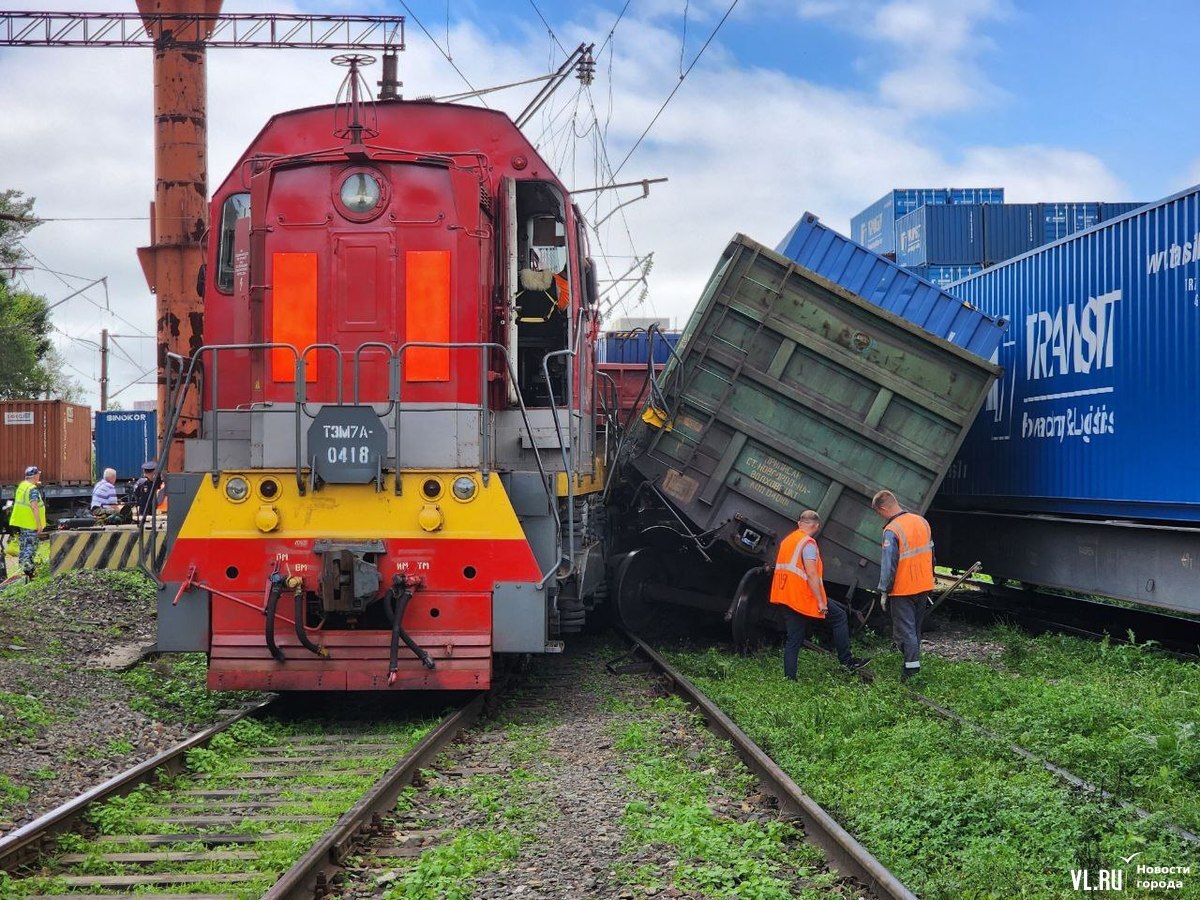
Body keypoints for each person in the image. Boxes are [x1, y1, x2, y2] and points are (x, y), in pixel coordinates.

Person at [768, 509, 869, 679]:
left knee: (794, 638)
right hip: (801, 596)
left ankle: (789, 678)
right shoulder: (808, 544)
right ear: (816, 526)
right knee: (839, 617)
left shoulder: (789, 540)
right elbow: (812, 574)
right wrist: (821, 602)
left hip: (784, 594)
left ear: (800, 523)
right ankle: (847, 661)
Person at [871, 489, 935, 682]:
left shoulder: (892, 530)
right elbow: (931, 555)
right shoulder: (921, 521)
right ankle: (912, 661)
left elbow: (889, 565)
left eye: (878, 512)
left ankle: (911, 670)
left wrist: (884, 590)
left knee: (906, 630)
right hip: (923, 585)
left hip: (903, 589)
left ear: (883, 508)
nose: (879, 516)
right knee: (915, 628)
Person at [9, 465, 46, 578]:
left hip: (22, 522)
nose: (39, 476)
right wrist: (39, 525)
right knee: (30, 547)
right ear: (35, 476)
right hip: (30, 523)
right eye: (38, 474)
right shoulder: (32, 489)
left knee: (24, 545)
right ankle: (29, 570)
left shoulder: (22, 486)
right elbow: (34, 507)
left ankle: (23, 568)